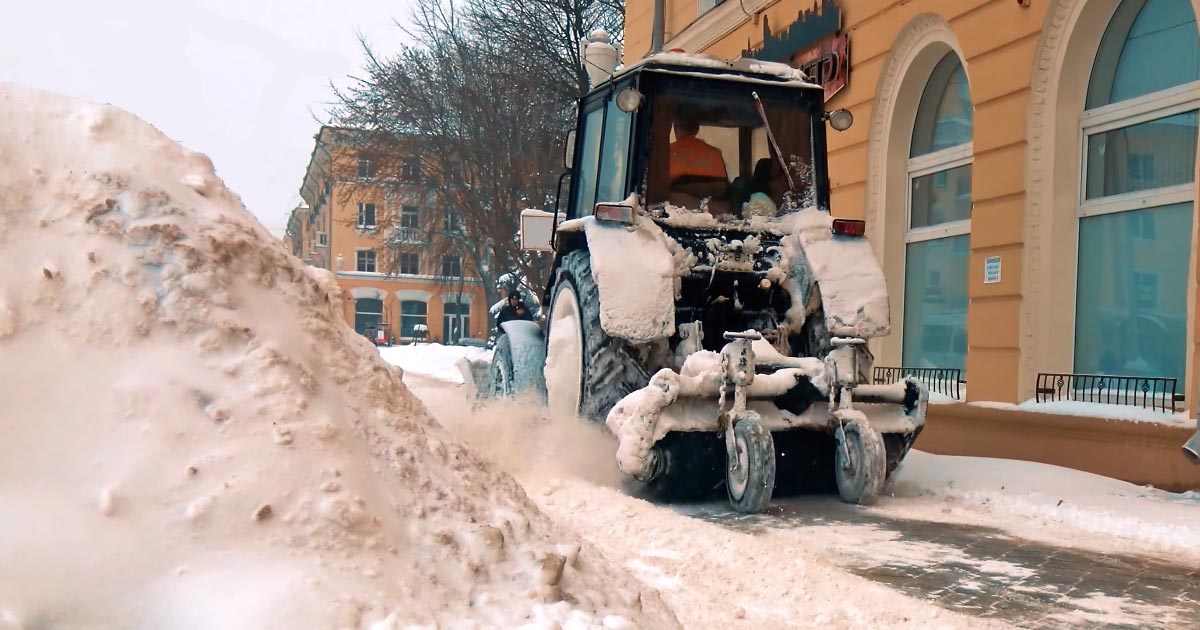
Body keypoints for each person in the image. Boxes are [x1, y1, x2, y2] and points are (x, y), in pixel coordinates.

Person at [668, 114, 730, 211]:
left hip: (677, 213)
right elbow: (724, 189)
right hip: (714, 213)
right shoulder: (715, 153)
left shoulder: (666, 152)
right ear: (697, 129)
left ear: (675, 129)